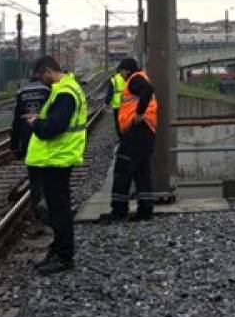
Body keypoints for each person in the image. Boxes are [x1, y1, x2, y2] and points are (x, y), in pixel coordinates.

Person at [23, 55, 87, 275]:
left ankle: (64, 256)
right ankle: (59, 250)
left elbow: (55, 127)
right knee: (58, 209)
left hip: (58, 158)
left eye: (42, 76)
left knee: (59, 210)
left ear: (49, 71)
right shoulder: (66, 89)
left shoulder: (65, 93)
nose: (42, 80)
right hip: (57, 157)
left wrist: (36, 124)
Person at [100, 58, 157, 223]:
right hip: (147, 133)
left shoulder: (135, 80)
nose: (121, 75)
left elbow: (147, 90)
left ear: (126, 70)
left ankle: (119, 211)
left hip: (136, 133)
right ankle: (145, 210)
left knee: (122, 170)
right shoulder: (142, 77)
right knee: (142, 171)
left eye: (122, 71)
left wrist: (139, 114)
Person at [10, 69, 51, 228]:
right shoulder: (48, 90)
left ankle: (36, 209)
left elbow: (16, 122)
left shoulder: (22, 93)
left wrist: (14, 145)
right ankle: (47, 207)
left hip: (27, 139)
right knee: (48, 176)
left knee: (34, 178)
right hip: (45, 137)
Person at [104, 65, 126, 137]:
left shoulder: (114, 79)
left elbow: (110, 92)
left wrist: (107, 102)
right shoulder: (126, 77)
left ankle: (120, 135)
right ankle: (126, 134)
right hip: (126, 103)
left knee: (118, 121)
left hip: (117, 104)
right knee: (126, 119)